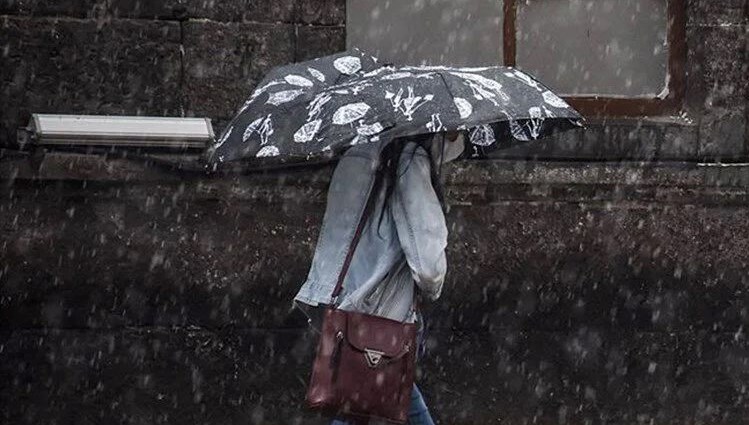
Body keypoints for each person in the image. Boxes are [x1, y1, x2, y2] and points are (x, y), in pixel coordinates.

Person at [293, 131, 465, 425]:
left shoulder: (356, 154)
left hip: (342, 305)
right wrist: (434, 285)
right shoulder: (410, 161)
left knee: (360, 400)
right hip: (383, 313)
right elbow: (428, 267)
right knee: (367, 397)